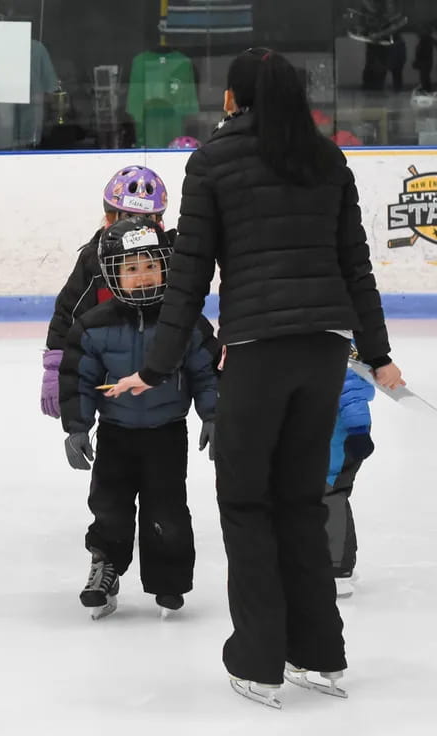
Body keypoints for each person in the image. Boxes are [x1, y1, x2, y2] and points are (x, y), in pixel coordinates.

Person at [104, 48, 404, 708]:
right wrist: (377, 354)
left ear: (233, 101)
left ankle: (260, 660)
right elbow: (357, 268)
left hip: (259, 353)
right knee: (300, 501)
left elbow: (190, 275)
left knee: (246, 503)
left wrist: (155, 366)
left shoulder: (213, 161)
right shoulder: (327, 160)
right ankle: (319, 654)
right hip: (325, 352)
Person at [59, 216, 217, 620]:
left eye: (151, 265)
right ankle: (106, 569)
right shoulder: (93, 327)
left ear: (166, 266)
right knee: (109, 507)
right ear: (113, 275)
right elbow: (80, 377)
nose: (143, 276)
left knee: (167, 510)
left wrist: (215, 415)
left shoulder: (186, 324)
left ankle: (169, 580)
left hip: (167, 434)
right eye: (131, 268)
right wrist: (78, 425)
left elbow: (206, 372)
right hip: (116, 434)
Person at [42, 165, 178, 419]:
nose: (136, 227)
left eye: (147, 220)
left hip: (159, 381)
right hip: (108, 379)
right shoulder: (94, 260)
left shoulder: (167, 261)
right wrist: (54, 368)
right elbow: (67, 314)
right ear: (109, 218)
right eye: (127, 217)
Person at [325, 344, 376, 599]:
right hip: (327, 442)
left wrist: (358, 431)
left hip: (339, 444)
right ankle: (343, 561)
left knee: (330, 497)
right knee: (333, 497)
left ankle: (338, 569)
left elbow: (353, 393)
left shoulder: (341, 354)